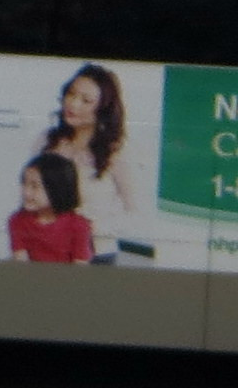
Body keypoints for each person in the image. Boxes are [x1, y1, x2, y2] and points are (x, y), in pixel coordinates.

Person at [35, 64, 143, 261]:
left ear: (103, 109)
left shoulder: (116, 151)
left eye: (86, 101)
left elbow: (136, 214)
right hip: (46, 251)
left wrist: (94, 226)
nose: (73, 104)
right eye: (71, 94)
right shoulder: (47, 141)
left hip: (95, 255)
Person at [9, 151, 94, 264]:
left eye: (34, 186)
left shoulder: (78, 225)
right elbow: (21, 264)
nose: (26, 192)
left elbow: (80, 269)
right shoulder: (18, 221)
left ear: (57, 189)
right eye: (24, 183)